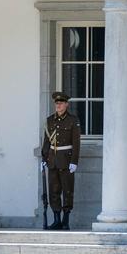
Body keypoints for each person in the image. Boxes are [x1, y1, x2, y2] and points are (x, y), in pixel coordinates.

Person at [40, 91, 81, 230]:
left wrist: (74, 161)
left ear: (66, 105)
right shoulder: (50, 120)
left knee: (68, 190)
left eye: (61, 103)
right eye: (56, 103)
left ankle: (66, 220)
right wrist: (44, 158)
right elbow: (46, 141)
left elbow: (76, 143)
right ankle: (56, 219)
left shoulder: (72, 120)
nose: (58, 106)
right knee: (54, 191)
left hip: (66, 160)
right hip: (52, 160)